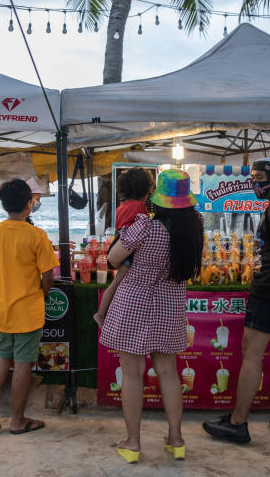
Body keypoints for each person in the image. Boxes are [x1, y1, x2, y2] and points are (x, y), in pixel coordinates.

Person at [100, 169, 202, 463]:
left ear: (157, 198)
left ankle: (133, 443)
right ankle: (176, 439)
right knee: (169, 373)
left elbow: (114, 258)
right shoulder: (195, 228)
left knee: (132, 375)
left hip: (134, 302)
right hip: (171, 304)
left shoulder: (145, 226)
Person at [204, 157, 270, 444]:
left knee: (252, 352)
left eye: (259, 177)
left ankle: (238, 423)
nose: (254, 183)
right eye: (252, 177)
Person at [0, 179, 56, 437]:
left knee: (2, 356)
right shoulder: (36, 235)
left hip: (3, 308)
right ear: (28, 204)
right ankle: (18, 420)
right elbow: (48, 275)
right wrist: (40, 294)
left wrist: (2, 287)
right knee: (22, 364)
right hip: (28, 310)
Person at [94, 167, 154, 327]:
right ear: (146, 191)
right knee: (117, 281)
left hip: (120, 240)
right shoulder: (139, 208)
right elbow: (142, 229)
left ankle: (103, 313)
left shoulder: (122, 206)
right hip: (128, 245)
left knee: (117, 281)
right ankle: (100, 314)